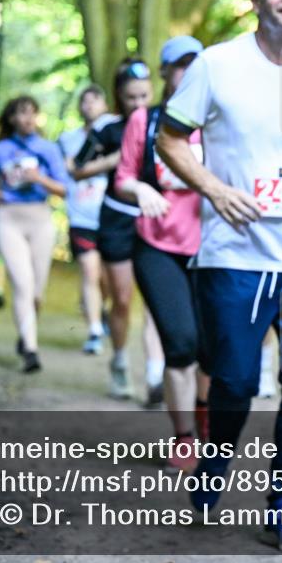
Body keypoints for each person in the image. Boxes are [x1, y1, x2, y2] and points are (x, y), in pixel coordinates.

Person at [158, 0, 282, 553]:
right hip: (233, 255)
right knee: (234, 382)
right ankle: (213, 471)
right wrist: (212, 188)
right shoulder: (217, 64)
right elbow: (169, 137)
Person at [115, 35, 205, 473]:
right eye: (178, 65)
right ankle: (184, 436)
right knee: (181, 342)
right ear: (165, 72)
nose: (186, 73)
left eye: (195, 64)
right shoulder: (146, 121)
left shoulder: (221, 119)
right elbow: (123, 178)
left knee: (213, 348)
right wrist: (142, 188)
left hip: (214, 249)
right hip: (156, 244)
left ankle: (207, 424)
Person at [73, 60, 165, 401]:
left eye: (144, 96)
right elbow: (76, 169)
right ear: (119, 98)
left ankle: (156, 375)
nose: (139, 104)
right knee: (123, 301)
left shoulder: (164, 123)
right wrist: (114, 161)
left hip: (155, 219)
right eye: (131, 98)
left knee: (158, 300)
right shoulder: (108, 130)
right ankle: (121, 362)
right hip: (116, 219)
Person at [0, 96, 69, 373]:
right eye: (22, 113)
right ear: (12, 119)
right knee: (22, 283)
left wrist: (38, 178)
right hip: (9, 218)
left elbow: (65, 189)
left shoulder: (48, 148)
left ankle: (25, 331)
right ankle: (31, 350)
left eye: (33, 113)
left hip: (40, 219)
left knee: (37, 292)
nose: (29, 118)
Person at [58, 85, 116, 354]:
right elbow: (65, 171)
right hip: (80, 217)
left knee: (107, 278)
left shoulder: (118, 130)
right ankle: (94, 330)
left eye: (95, 100)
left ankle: (101, 311)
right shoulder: (68, 139)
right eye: (85, 101)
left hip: (111, 216)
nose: (90, 105)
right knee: (90, 272)